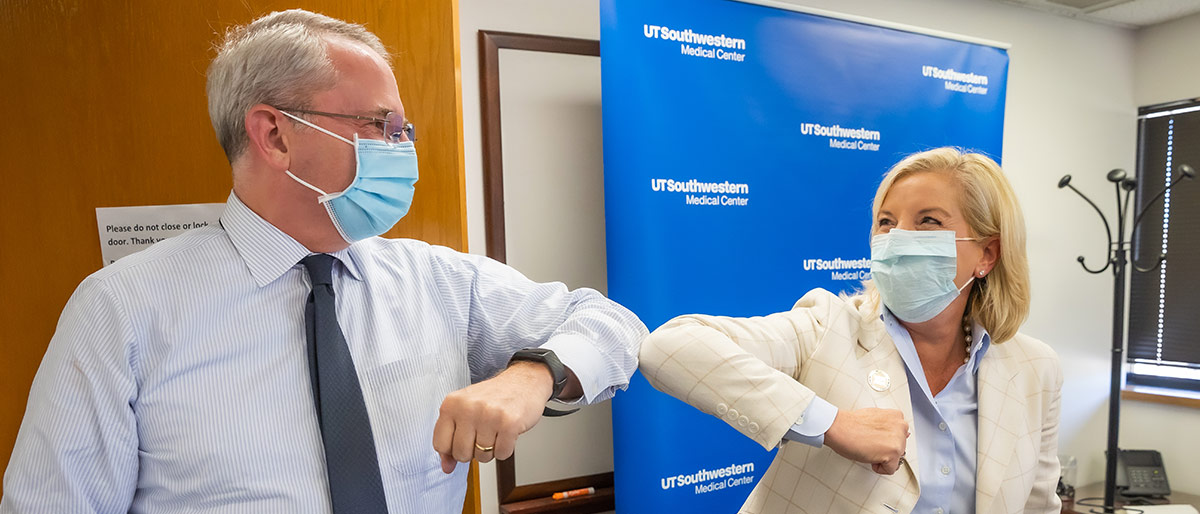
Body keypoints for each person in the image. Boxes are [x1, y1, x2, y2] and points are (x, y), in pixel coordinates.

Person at [0, 9, 646, 513]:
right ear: (274, 134)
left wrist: (531, 375)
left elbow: (616, 327)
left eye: (404, 131)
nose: (402, 149)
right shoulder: (123, 309)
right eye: (379, 126)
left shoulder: (439, 281)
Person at [639, 148, 1062, 514]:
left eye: (928, 221)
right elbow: (670, 347)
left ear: (987, 253)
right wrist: (831, 424)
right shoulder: (828, 327)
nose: (897, 239)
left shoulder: (1035, 368)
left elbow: (1038, 505)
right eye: (885, 222)